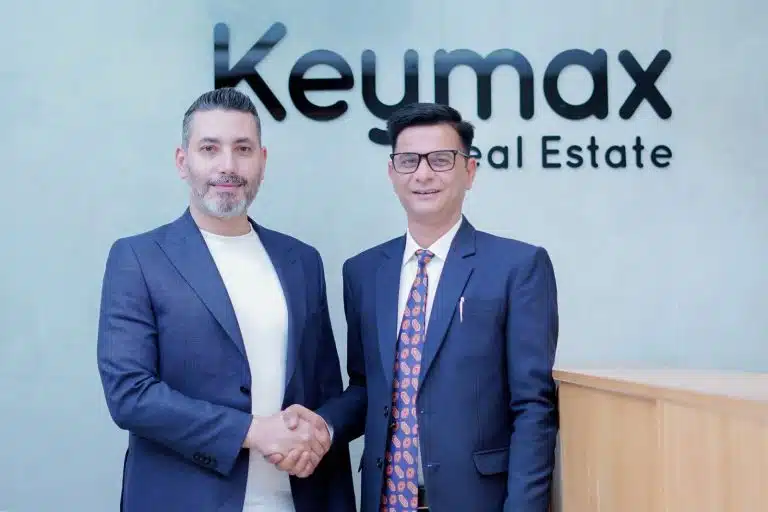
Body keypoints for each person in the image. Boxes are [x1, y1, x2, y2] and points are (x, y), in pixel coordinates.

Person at [96, 88, 356, 512]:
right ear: (182, 161)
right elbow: (130, 394)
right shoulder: (138, 258)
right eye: (209, 148)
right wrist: (254, 431)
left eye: (243, 149)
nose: (228, 166)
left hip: (298, 499)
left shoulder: (302, 261)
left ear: (262, 161)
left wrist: (319, 430)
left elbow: (325, 389)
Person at [312, 102, 560, 511]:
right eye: (409, 160)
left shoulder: (518, 267)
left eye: (441, 160)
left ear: (470, 171)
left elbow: (532, 407)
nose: (423, 174)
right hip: (385, 502)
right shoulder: (363, 272)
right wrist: (322, 425)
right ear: (392, 173)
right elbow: (368, 388)